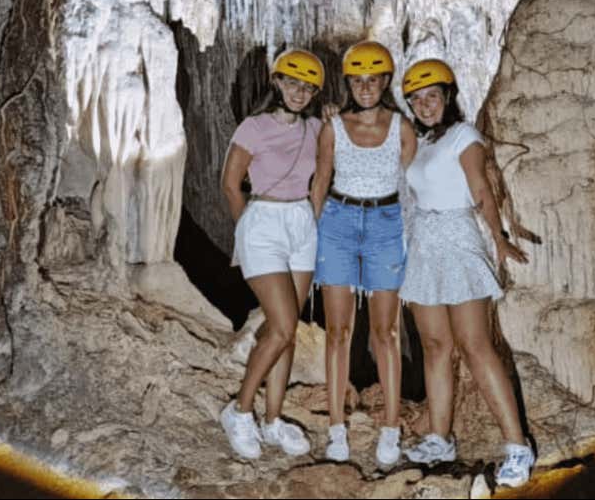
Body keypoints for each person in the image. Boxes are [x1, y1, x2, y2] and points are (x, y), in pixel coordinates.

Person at [398, 59, 535, 487]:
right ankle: (439, 436)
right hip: (422, 243)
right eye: (417, 100)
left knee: (475, 346)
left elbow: (480, 190)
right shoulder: (416, 144)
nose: (425, 105)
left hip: (457, 238)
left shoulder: (464, 135)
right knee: (435, 345)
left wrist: (498, 238)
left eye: (432, 96)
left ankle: (517, 446)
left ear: (447, 97)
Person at [310, 41, 417, 467]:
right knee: (338, 330)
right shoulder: (333, 127)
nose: (366, 87)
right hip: (337, 220)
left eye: (373, 79)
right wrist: (312, 234)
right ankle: (336, 426)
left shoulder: (401, 127)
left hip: (386, 222)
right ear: (349, 83)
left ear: (386, 82)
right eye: (358, 80)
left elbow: (414, 186)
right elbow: (320, 181)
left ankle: (390, 428)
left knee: (385, 332)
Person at [219, 49, 325, 460]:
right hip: (263, 220)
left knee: (288, 329)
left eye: (308, 86)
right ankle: (240, 410)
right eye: (293, 83)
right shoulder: (254, 127)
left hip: (301, 222)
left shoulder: (318, 127)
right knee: (280, 327)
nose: (300, 92)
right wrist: (247, 225)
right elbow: (230, 183)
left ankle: (273, 419)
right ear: (277, 83)